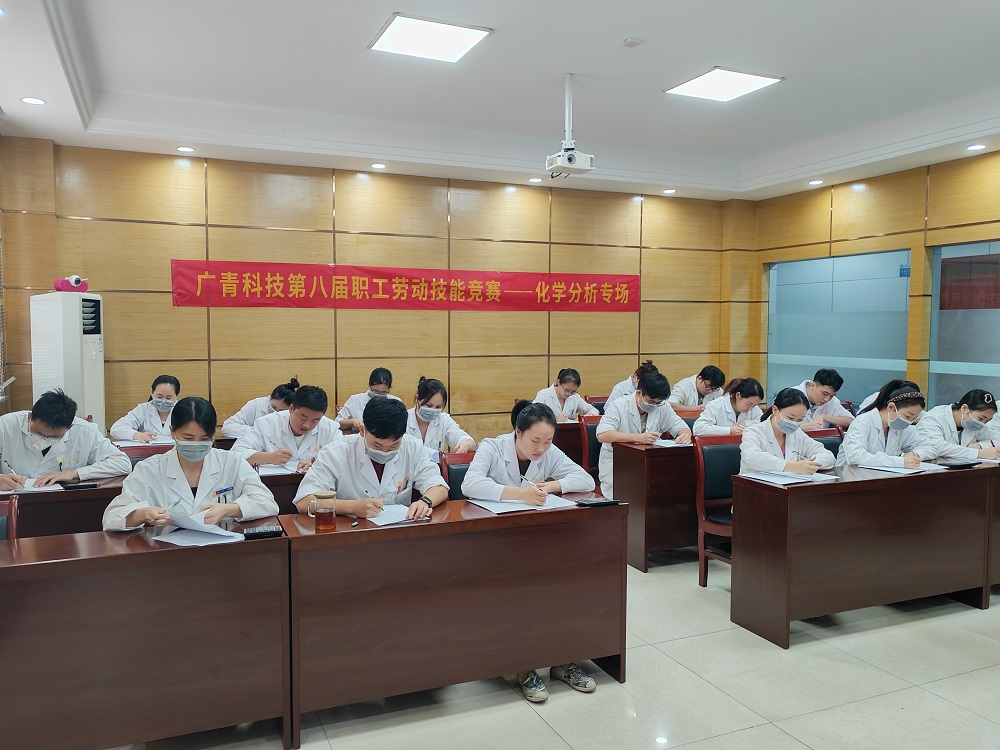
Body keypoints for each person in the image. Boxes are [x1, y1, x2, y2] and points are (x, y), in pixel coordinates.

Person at [461, 400, 596, 704]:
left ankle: (563, 659)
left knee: (565, 586)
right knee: (520, 594)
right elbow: (470, 484)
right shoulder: (492, 447)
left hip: (537, 540)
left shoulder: (548, 451)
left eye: (548, 441)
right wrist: (520, 494)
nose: (541, 448)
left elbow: (585, 479)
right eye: (535, 440)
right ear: (518, 432)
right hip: (494, 544)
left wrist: (549, 487)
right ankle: (524, 666)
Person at [102, 397, 277, 530]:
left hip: (221, 551)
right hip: (167, 554)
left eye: (204, 439)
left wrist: (230, 509)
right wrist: (142, 514)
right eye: (188, 438)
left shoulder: (232, 462)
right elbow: (111, 518)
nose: (196, 445)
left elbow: (268, 503)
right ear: (172, 432)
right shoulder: (149, 469)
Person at [294, 396, 448, 519]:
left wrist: (425, 502)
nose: (385, 452)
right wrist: (352, 507)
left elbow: (439, 487)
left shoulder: (412, 447)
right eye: (377, 445)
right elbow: (304, 500)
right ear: (362, 431)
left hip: (399, 532)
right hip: (351, 533)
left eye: (394, 446)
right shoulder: (336, 452)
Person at [0, 389, 131, 490]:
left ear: (69, 427)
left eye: (53, 437)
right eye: (39, 433)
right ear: (29, 418)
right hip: (13, 501)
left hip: (63, 502)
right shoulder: (4, 426)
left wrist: (75, 473)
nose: (44, 440)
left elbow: (123, 463)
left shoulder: (84, 431)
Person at [597, 372, 692, 499]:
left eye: (658, 402)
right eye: (651, 401)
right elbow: (602, 434)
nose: (654, 406)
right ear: (638, 393)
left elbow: (681, 427)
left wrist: (685, 435)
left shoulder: (663, 406)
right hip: (619, 463)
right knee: (629, 496)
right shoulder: (618, 406)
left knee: (667, 490)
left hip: (650, 463)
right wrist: (638, 438)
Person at [231, 385, 342, 470]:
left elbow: (344, 454)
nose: (307, 425)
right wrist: (270, 457)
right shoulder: (266, 424)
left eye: (315, 420)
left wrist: (317, 460)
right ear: (291, 409)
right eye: (303, 417)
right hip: (274, 484)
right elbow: (236, 453)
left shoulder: (330, 428)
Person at [740, 388, 836, 474]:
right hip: (755, 486)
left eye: (800, 420)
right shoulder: (753, 432)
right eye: (790, 418)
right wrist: (792, 466)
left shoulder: (797, 434)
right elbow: (753, 457)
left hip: (789, 485)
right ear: (775, 410)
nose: (794, 423)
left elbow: (828, 456)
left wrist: (809, 464)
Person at [837, 380, 926, 468]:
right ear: (891, 407)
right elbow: (855, 456)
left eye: (913, 419)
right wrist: (899, 461)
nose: (909, 422)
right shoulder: (863, 422)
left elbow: (925, 444)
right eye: (907, 416)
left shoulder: (898, 427)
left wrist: (914, 455)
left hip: (880, 474)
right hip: (849, 474)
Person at [913, 389, 1000, 461]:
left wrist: (980, 446)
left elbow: (998, 438)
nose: (982, 423)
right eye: (980, 418)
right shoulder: (935, 418)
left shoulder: (975, 424)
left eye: (987, 421)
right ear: (964, 408)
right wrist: (978, 453)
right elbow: (937, 447)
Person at [406, 377, 475, 454]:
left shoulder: (444, 419)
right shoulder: (403, 419)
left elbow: (467, 441)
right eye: (428, 405)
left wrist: (466, 444)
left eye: (438, 407)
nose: (433, 410)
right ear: (417, 399)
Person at [109, 374, 181, 442]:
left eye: (168, 398)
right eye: (159, 397)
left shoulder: (183, 409)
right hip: (148, 450)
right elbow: (116, 429)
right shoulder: (143, 409)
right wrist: (137, 435)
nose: (163, 401)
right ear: (152, 392)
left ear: (176, 396)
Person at [221, 377, 300, 438]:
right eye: (274, 407)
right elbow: (228, 427)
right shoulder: (255, 405)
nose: (276, 411)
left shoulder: (294, 413)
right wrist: (258, 431)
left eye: (280, 411)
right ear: (270, 398)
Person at [336, 367, 402, 431]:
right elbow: (337, 423)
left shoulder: (396, 403)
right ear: (369, 385)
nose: (379, 395)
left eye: (383, 392)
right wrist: (352, 421)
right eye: (375, 391)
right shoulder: (355, 400)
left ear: (389, 389)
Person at [693, 378, 765, 436]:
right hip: (721, 446)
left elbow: (765, 424)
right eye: (749, 404)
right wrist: (729, 430)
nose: (750, 408)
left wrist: (747, 423)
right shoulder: (716, 406)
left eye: (754, 405)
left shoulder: (754, 409)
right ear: (738, 395)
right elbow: (698, 428)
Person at [533, 368, 600, 421]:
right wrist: (553, 419)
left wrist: (588, 416)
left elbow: (594, 410)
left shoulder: (575, 397)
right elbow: (532, 415)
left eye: (573, 391)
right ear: (558, 382)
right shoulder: (544, 395)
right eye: (566, 390)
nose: (569, 394)